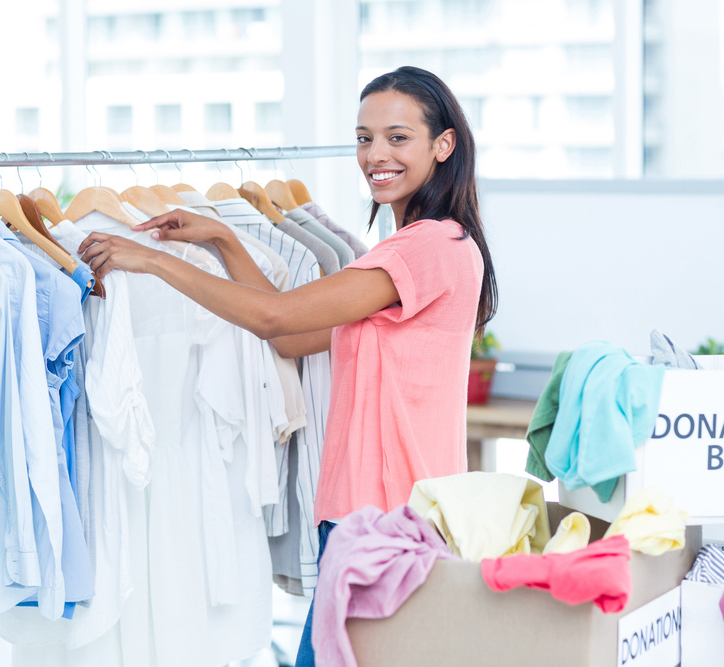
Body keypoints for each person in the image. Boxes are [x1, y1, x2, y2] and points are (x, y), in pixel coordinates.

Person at [78, 65, 497, 666]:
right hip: (375, 520)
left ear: (443, 144)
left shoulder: (427, 249)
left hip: (386, 523)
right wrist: (223, 240)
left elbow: (276, 319)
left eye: (397, 137)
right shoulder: (421, 250)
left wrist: (151, 262)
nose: (375, 154)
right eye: (363, 137)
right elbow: (293, 338)